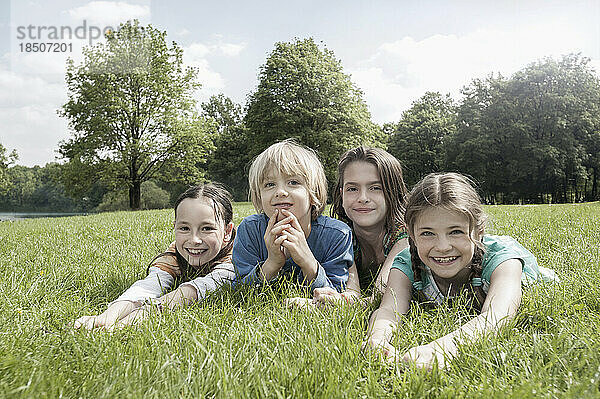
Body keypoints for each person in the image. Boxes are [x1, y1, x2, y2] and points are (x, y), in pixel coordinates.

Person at [364, 172, 558, 369]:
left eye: (455, 232)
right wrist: (378, 338)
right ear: (411, 233)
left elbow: (498, 315)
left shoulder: (502, 260)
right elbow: (389, 310)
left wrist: (442, 349)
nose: (442, 246)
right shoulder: (406, 262)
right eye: (428, 233)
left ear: (479, 230)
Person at [73, 183, 236, 330]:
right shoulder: (176, 252)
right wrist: (108, 317)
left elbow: (204, 287)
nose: (194, 240)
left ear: (227, 232)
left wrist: (141, 316)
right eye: (184, 228)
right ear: (175, 227)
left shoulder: (237, 255)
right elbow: (150, 285)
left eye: (207, 228)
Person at [289, 147, 409, 307]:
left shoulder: (404, 236)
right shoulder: (340, 235)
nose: (363, 198)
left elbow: (381, 297)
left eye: (375, 188)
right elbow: (350, 293)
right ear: (341, 194)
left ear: (393, 192)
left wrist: (317, 305)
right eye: (352, 189)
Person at [233, 139, 353, 293]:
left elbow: (335, 294)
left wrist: (308, 262)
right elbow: (240, 291)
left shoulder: (337, 235)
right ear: (259, 196)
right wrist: (272, 264)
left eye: (293, 182)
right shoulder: (250, 230)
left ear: (313, 192)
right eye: (269, 184)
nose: (280, 192)